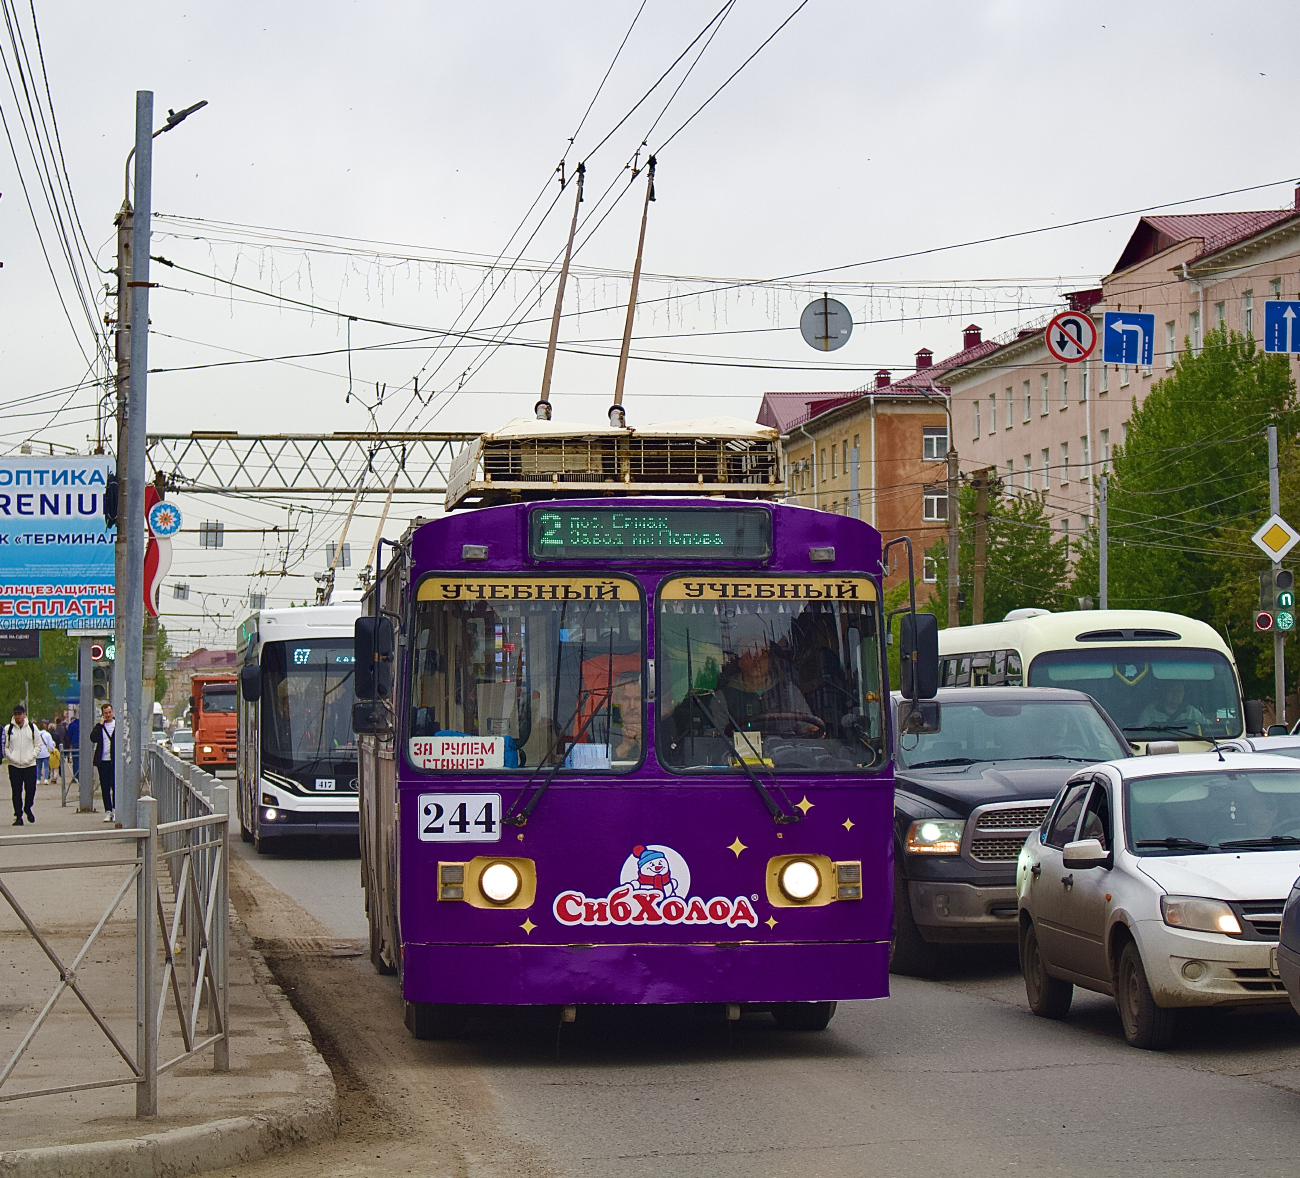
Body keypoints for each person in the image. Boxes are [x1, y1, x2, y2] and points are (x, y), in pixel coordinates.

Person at [3, 703, 38, 826]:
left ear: (24, 715)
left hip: (29, 764)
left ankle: (28, 807)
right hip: (14, 765)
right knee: (16, 791)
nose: (18, 716)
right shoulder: (9, 729)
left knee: (31, 789)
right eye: (16, 714)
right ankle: (18, 816)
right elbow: (5, 746)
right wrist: (11, 757)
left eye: (20, 714)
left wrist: (31, 756)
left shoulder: (32, 728)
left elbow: (37, 745)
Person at [1137, 679, 1211, 735]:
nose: (1176, 694)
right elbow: (1139, 733)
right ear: (1164, 692)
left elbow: (1209, 729)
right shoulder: (1150, 712)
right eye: (1172, 690)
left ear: (1184, 693)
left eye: (1179, 691)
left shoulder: (1191, 711)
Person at [90, 703, 116, 822]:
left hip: (114, 761)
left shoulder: (117, 725)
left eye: (109, 712)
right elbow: (93, 738)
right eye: (105, 713)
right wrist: (100, 724)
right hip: (102, 761)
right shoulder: (100, 727)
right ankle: (108, 811)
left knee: (114, 786)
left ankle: (115, 809)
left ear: (113, 712)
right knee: (105, 787)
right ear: (103, 714)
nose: (108, 715)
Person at [66, 713, 80, 782]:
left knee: (76, 760)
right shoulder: (83, 724)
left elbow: (69, 734)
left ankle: (76, 776)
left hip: (75, 743)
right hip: (84, 743)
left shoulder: (72, 725)